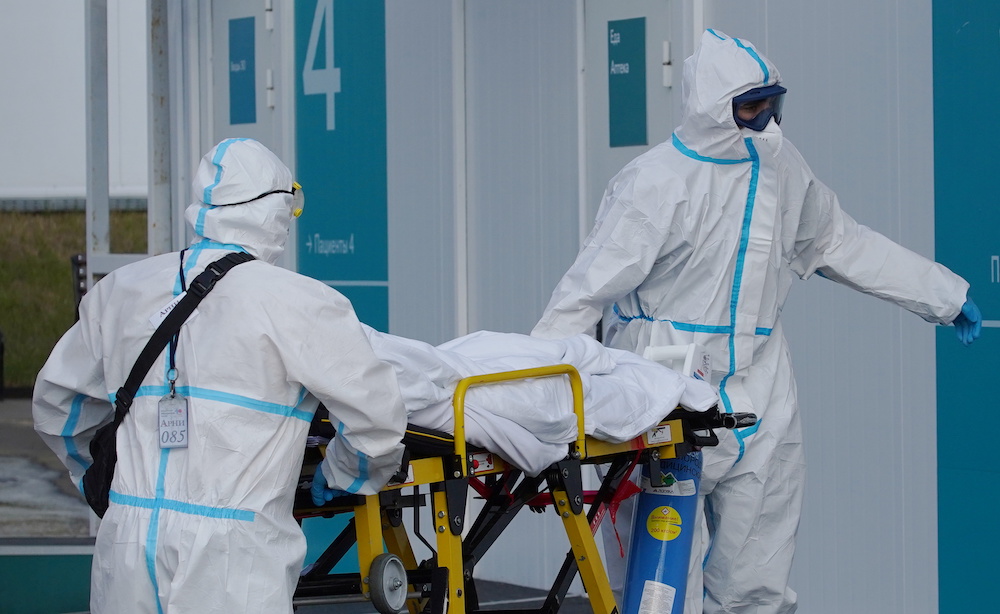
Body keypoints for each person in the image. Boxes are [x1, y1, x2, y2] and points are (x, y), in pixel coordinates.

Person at [531, 29, 981, 614]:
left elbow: (839, 242)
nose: (766, 120)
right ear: (711, 108)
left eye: (774, 104)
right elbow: (585, 291)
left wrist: (941, 295)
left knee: (759, 581)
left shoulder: (781, 167)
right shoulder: (655, 182)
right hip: (664, 385)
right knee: (658, 585)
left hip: (763, 390)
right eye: (751, 106)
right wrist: (534, 390)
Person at [33, 138, 406, 614]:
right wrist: (343, 476)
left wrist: (103, 483)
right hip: (233, 559)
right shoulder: (300, 304)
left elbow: (55, 407)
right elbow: (377, 421)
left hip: (126, 547)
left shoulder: (119, 292)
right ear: (276, 211)